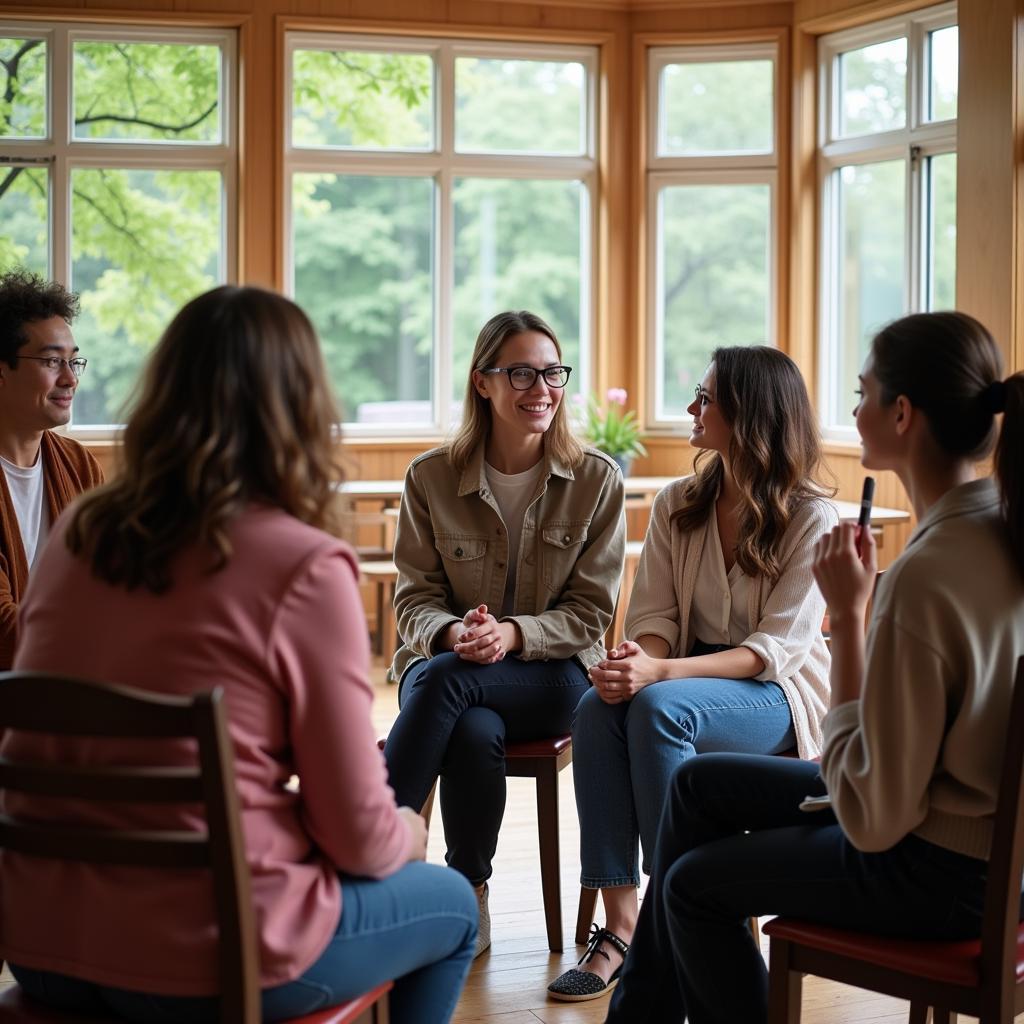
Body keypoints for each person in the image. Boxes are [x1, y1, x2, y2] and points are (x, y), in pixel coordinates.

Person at [0, 286, 477, 1024]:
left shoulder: (76, 534)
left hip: (41, 941)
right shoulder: (305, 566)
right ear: (299, 406)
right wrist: (407, 829)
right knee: (450, 905)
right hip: (204, 957)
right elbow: (354, 834)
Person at [605, 311, 1024, 1024]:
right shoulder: (999, 528)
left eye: (862, 394)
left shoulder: (926, 575)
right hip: (971, 847)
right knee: (700, 787)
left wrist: (854, 622)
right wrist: (857, 614)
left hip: (939, 870)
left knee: (690, 889)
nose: (851, 411)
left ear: (901, 414)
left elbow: (870, 817)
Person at [549, 345, 836, 1002]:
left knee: (659, 708)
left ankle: (671, 920)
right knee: (599, 707)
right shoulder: (679, 502)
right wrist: (633, 664)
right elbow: (654, 617)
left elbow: (773, 653)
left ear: (750, 416)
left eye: (706, 398)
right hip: (685, 685)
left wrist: (660, 674)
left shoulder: (812, 517)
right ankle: (621, 925)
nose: (691, 408)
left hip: (777, 699)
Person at [383, 309, 625, 957]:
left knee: (448, 685)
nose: (540, 387)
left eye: (552, 372)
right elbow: (412, 601)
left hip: (555, 677)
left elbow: (591, 613)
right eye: (520, 372)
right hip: (451, 671)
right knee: (471, 725)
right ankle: (470, 894)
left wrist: (511, 637)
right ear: (482, 383)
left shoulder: (598, 479)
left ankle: (369, 856)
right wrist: (452, 633)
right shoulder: (429, 477)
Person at [0, 268, 103, 669]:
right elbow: (3, 634)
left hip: (68, 690)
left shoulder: (79, 466)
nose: (70, 379)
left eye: (73, 362)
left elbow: (108, 584)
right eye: (51, 361)